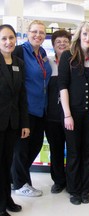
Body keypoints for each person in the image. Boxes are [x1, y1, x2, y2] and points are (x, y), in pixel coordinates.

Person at [58, 21, 89, 205]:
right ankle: (74, 190)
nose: (88, 38)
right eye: (85, 34)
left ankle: (85, 189)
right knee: (74, 152)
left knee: (87, 151)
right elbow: (63, 87)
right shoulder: (68, 56)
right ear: (79, 35)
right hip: (72, 114)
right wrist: (67, 114)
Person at [11, 20, 52, 197]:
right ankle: (20, 184)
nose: (38, 35)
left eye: (42, 32)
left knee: (34, 147)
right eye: (34, 31)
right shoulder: (20, 51)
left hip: (41, 109)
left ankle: (17, 179)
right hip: (25, 110)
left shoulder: (42, 53)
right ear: (27, 33)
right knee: (21, 149)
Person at [0, 24, 30, 216]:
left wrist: (25, 123)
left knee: (7, 162)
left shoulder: (19, 62)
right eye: (3, 38)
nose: (8, 42)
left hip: (12, 123)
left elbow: (21, 95)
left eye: (11, 38)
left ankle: (7, 199)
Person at [46, 29, 71, 194]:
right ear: (53, 46)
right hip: (52, 115)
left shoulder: (74, 61)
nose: (62, 44)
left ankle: (71, 179)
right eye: (58, 42)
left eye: (65, 41)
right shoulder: (47, 62)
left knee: (73, 149)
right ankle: (58, 180)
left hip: (70, 115)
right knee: (55, 149)